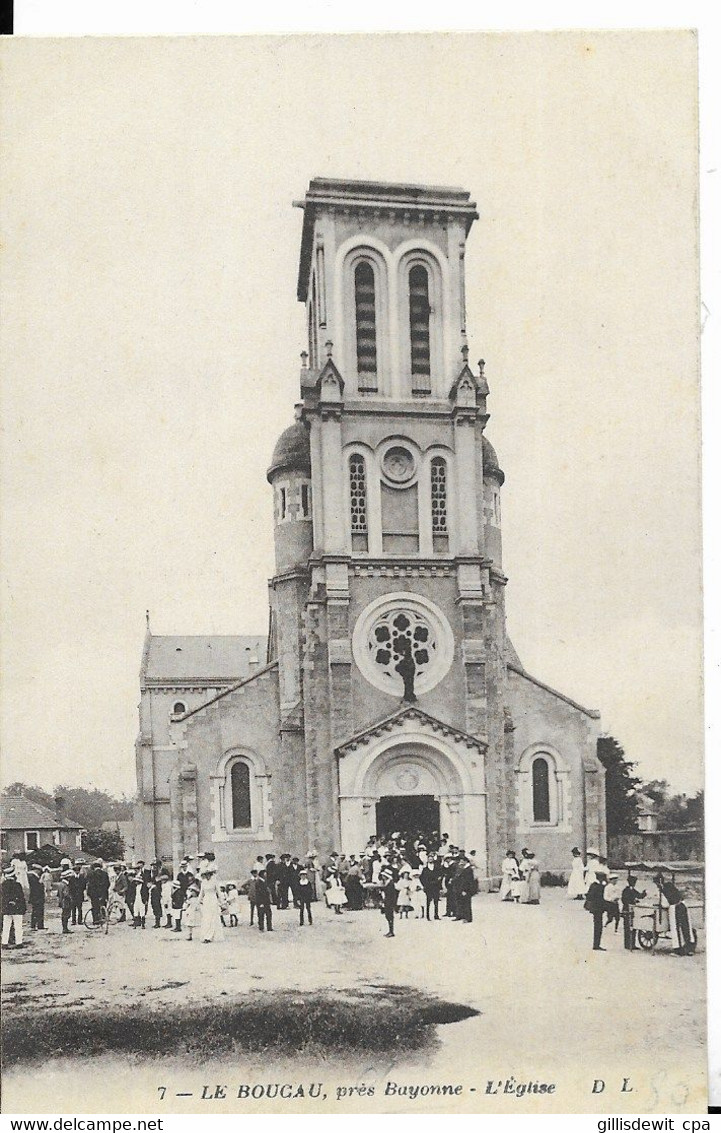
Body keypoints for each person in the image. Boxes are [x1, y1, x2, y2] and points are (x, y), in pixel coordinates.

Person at [656, 874, 697, 956]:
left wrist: (660, 905)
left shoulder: (662, 890)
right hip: (683, 905)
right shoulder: (670, 885)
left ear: (659, 882)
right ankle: (690, 949)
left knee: (675, 929)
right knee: (686, 927)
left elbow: (665, 904)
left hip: (674, 908)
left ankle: (678, 950)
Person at [1, 866, 26, 948]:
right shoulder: (17, 885)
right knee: (18, 926)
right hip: (17, 908)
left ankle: (4, 942)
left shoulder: (2, 885)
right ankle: (19, 942)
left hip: (6, 909)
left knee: (6, 926)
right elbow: (21, 897)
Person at [198, 870, 225, 943]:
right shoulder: (203, 882)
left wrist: (222, 903)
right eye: (206, 875)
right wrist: (198, 902)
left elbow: (219, 893)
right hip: (206, 900)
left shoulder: (215, 882)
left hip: (213, 900)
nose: (207, 876)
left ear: (211, 875)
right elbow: (201, 893)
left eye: (209, 875)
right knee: (207, 917)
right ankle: (206, 935)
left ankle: (210, 936)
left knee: (213, 917)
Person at [621, 875, 646, 950]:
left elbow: (639, 896)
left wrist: (643, 894)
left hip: (631, 910)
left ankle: (631, 944)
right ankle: (628, 944)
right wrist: (632, 901)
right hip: (627, 910)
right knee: (628, 927)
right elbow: (624, 900)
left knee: (632, 927)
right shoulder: (626, 890)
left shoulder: (631, 890)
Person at [585, 868, 608, 951]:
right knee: (598, 927)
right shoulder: (600, 887)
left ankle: (596, 944)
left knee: (597, 926)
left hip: (595, 909)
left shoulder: (593, 885)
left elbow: (588, 895)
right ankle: (596, 945)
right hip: (598, 909)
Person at [86, 860, 110, 925]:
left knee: (95, 907)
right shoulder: (105, 874)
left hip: (94, 894)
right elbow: (108, 884)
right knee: (103, 905)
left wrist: (89, 894)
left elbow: (89, 885)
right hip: (103, 893)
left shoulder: (90, 874)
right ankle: (103, 918)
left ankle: (95, 920)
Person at [420, 855, 443, 920]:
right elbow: (422, 878)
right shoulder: (425, 869)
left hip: (435, 886)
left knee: (436, 901)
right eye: (429, 859)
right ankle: (428, 916)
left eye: (431, 859)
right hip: (428, 887)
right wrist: (425, 885)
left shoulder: (437, 868)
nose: (430, 860)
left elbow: (440, 876)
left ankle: (436, 915)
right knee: (428, 901)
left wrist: (439, 885)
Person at [381, 870, 398, 937]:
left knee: (389, 916)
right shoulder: (388, 883)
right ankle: (390, 931)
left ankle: (391, 931)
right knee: (388, 916)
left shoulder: (390, 884)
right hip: (387, 901)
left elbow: (391, 895)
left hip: (389, 902)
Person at [27, 864, 46, 930]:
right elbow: (36, 887)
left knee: (39, 910)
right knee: (35, 911)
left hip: (38, 897)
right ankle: (34, 925)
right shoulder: (32, 877)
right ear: (36, 870)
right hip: (36, 897)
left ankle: (40, 925)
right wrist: (40, 881)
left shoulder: (35, 877)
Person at [57, 869, 74, 934]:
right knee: (66, 915)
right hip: (66, 901)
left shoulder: (60, 884)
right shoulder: (65, 885)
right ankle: (65, 928)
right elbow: (66, 894)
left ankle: (65, 928)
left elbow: (59, 894)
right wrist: (71, 898)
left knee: (64, 914)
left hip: (62, 901)